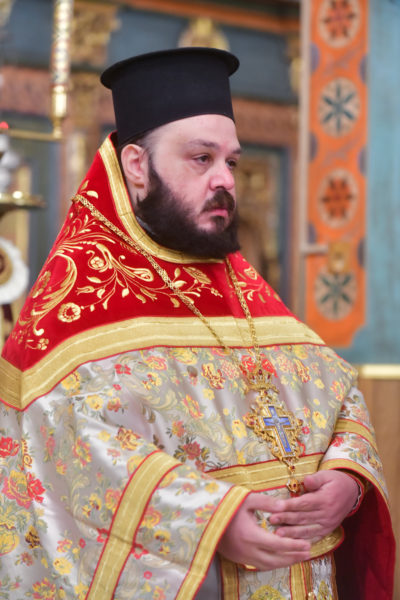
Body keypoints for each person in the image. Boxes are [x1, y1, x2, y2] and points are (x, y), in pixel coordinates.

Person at [0, 48, 394, 600]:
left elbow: (337, 392)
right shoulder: (73, 306)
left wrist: (348, 482)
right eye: (201, 158)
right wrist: (211, 522)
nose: (223, 180)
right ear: (137, 166)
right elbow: (69, 451)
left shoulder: (243, 292)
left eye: (231, 162)